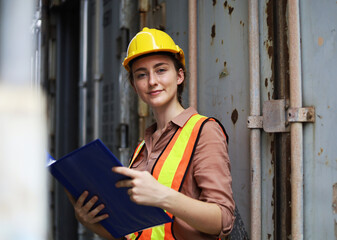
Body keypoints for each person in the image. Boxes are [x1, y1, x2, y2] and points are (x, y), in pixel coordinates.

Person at [67, 27, 235, 240]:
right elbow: (134, 235)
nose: (152, 81)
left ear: (180, 75)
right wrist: (89, 221)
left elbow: (223, 219)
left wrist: (163, 196)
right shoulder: (142, 148)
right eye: (141, 75)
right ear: (135, 86)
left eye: (161, 70)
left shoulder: (204, 131)